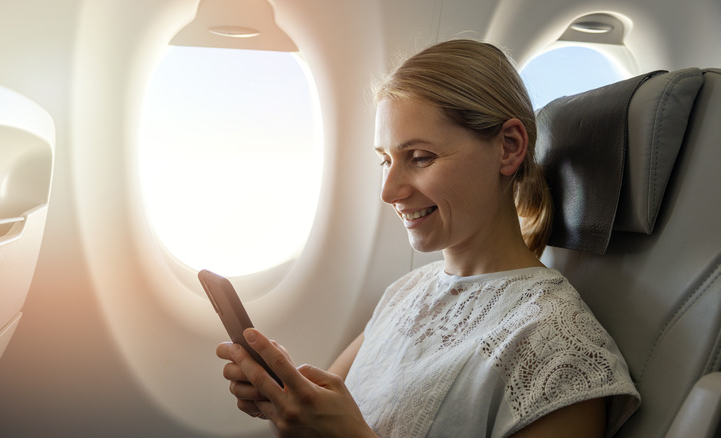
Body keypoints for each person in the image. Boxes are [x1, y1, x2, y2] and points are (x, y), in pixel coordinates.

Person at [216, 39, 640, 437]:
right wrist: (284, 402)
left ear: (509, 147)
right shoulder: (406, 293)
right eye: (385, 160)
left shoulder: (560, 350)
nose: (389, 191)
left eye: (420, 158)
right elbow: (323, 418)